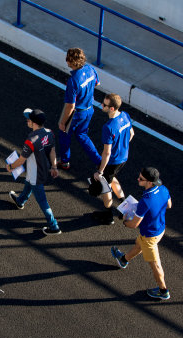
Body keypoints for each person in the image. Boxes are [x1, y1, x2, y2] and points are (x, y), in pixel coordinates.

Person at [111, 167, 172, 300]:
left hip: (150, 235)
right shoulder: (163, 189)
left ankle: (163, 291)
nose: (137, 179)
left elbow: (133, 225)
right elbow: (169, 205)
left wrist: (124, 220)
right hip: (160, 229)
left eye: (141, 179)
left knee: (155, 265)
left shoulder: (146, 201)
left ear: (149, 182)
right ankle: (123, 260)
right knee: (139, 244)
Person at [7, 108, 61, 235]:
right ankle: (20, 201)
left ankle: (54, 226)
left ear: (34, 123)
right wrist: (54, 167)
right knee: (28, 184)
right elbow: (52, 151)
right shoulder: (49, 133)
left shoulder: (31, 141)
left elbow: (21, 160)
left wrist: (10, 167)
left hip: (35, 175)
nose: (27, 121)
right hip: (43, 170)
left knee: (42, 201)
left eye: (28, 119)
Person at [92, 93, 135, 225]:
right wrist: (122, 147)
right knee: (112, 178)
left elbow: (107, 152)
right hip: (124, 157)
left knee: (105, 184)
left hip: (113, 160)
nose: (101, 105)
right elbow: (132, 133)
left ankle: (108, 214)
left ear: (111, 108)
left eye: (104, 104)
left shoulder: (108, 127)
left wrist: (100, 171)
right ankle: (124, 204)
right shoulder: (125, 115)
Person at [57, 48, 101, 170]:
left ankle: (64, 161)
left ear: (70, 62)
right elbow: (97, 83)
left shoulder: (73, 81)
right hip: (89, 109)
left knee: (64, 134)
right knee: (82, 135)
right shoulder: (91, 69)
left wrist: (63, 122)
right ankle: (99, 160)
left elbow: (70, 105)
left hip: (76, 113)